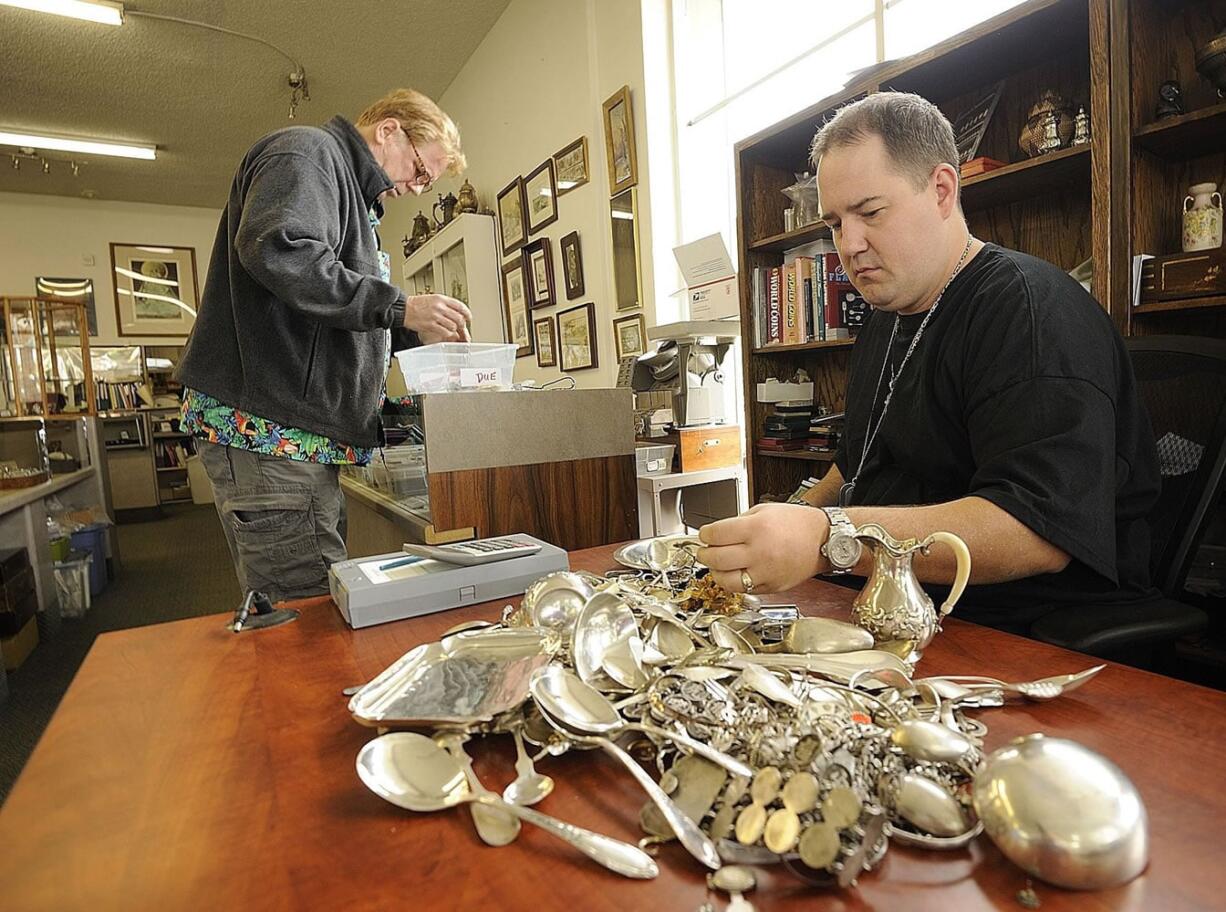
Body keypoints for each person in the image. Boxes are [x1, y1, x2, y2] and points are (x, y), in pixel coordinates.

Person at [699, 92, 1162, 635]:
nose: (848, 244)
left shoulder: (1030, 313)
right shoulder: (885, 316)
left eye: (870, 212)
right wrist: (778, 524)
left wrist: (828, 537)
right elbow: (855, 465)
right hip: (891, 602)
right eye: (833, 223)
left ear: (942, 190)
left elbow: (1034, 530)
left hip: (1017, 623)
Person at [176, 88, 471, 605]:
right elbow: (279, 251)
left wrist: (408, 329)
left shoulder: (353, 199)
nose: (418, 188)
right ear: (388, 130)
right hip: (270, 431)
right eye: (422, 171)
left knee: (306, 594)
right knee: (303, 613)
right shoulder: (307, 153)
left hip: (295, 436)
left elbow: (327, 311)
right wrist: (400, 306)